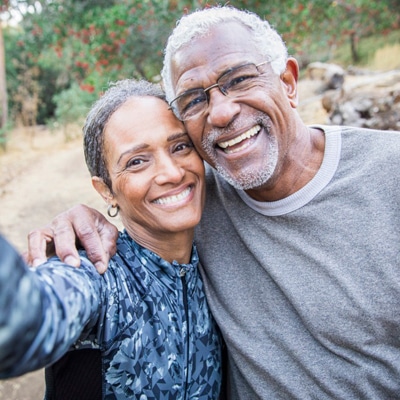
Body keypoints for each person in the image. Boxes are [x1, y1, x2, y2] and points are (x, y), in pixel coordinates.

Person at [26, 6, 400, 399]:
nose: (222, 112)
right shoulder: (191, 198)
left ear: (288, 80)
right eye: (193, 100)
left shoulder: (387, 173)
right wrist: (71, 232)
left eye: (239, 79)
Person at [0, 79, 223, 399]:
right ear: (105, 190)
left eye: (180, 146)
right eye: (137, 161)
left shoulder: (218, 258)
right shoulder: (99, 275)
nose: (172, 173)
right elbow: (19, 328)